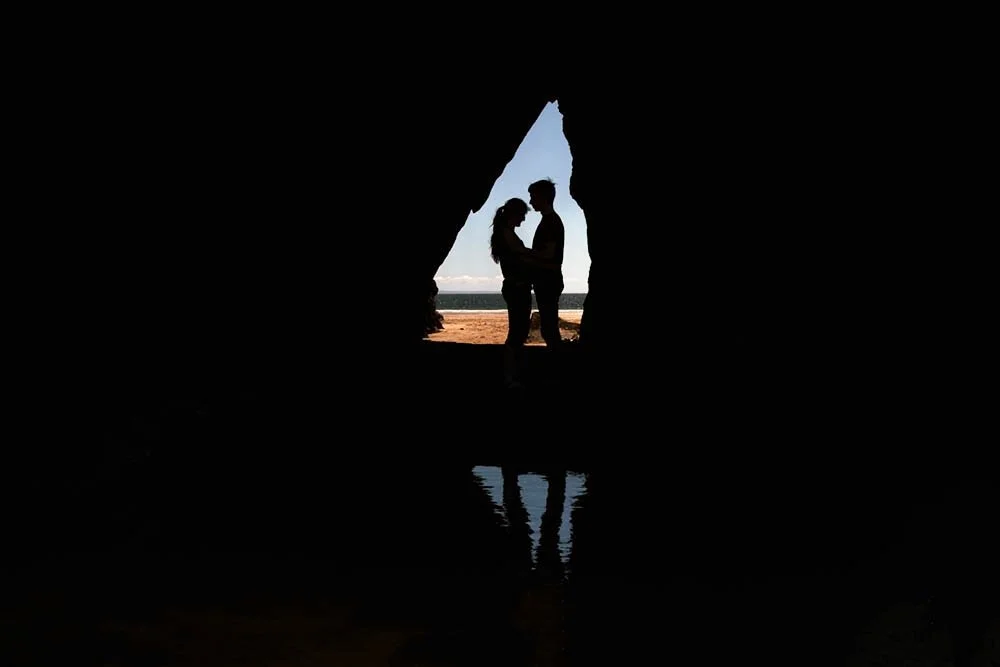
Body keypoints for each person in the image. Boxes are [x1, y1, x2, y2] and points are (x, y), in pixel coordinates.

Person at [489, 197, 533, 388]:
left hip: (517, 287)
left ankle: (513, 374)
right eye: (522, 215)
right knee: (517, 333)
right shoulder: (506, 233)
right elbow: (521, 254)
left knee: (519, 332)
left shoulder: (505, 232)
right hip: (516, 288)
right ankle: (509, 376)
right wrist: (545, 253)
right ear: (514, 214)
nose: (523, 220)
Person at [528, 178, 565, 349]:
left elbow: (549, 254)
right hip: (547, 281)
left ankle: (556, 368)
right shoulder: (548, 221)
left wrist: (524, 253)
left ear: (543, 197)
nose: (530, 201)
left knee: (549, 329)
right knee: (549, 328)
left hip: (549, 281)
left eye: (533, 197)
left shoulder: (551, 222)